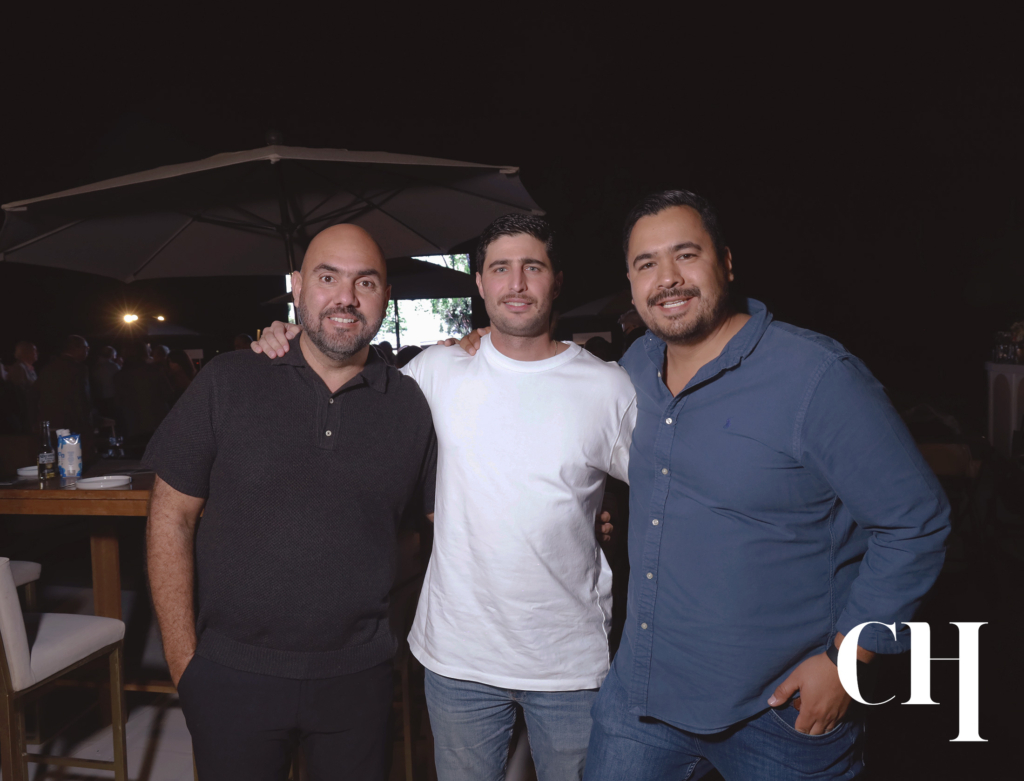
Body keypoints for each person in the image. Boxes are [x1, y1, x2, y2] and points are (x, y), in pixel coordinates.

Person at [578, 191, 951, 780]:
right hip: (645, 695)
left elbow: (916, 522)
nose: (667, 278)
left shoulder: (815, 376)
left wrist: (848, 660)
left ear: (726, 263)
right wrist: (468, 350)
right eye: (647, 263)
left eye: (686, 255)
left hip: (780, 710)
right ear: (630, 284)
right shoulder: (632, 372)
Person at [254, 214, 635, 781]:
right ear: (479, 283)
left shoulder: (607, 387)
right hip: (457, 658)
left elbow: (669, 491)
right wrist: (287, 338)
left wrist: (610, 515)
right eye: (499, 269)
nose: (516, 284)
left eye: (532, 267)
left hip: (569, 661)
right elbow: (347, 382)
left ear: (556, 280)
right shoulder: (436, 371)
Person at [145, 224, 437, 781]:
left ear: (385, 296)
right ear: (297, 288)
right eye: (328, 278)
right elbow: (170, 518)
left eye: (365, 282)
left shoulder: (410, 405)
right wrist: (185, 664)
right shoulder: (227, 381)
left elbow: (437, 527)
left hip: (359, 680)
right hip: (231, 674)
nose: (346, 297)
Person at [114, 342, 172, 456]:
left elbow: (118, 404)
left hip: (131, 426)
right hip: (156, 423)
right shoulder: (155, 371)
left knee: (135, 459)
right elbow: (168, 395)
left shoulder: (118, 377)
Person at [34, 335, 94, 434]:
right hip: (71, 424)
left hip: (50, 423)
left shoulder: (47, 368)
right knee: (71, 445)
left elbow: (35, 395)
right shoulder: (79, 369)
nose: (87, 351)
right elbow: (82, 398)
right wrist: (87, 424)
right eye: (86, 348)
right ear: (76, 348)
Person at [92, 345, 120, 419]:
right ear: (112, 355)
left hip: (99, 397)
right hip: (112, 397)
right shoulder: (114, 366)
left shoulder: (95, 367)